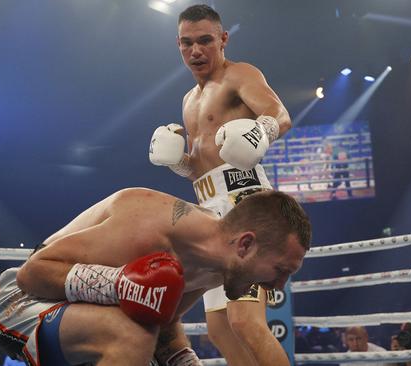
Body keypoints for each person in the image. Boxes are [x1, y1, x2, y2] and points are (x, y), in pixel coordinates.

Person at [0, 187, 311, 366]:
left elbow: (160, 317)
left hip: (83, 318)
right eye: (280, 270)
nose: (278, 285)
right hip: (21, 303)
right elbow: (32, 274)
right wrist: (119, 284)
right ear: (246, 245)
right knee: (131, 337)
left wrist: (183, 360)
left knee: (144, 343)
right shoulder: (149, 226)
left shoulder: (217, 267)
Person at [148, 4, 293, 365]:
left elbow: (280, 115)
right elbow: (201, 167)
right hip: (208, 208)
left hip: (246, 203)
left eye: (205, 41)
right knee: (219, 328)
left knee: (245, 320)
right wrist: (179, 163)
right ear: (178, 45)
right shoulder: (188, 100)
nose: (195, 51)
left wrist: (262, 131)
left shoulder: (239, 75)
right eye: (186, 43)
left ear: (223, 39)